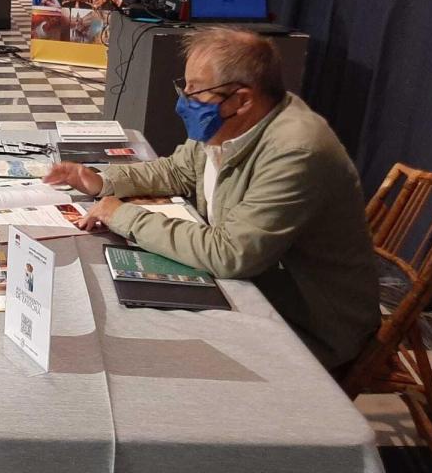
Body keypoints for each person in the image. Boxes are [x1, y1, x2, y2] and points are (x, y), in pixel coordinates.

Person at [44, 27, 380, 371]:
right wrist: (103, 182)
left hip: (310, 321)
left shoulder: (295, 151)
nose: (182, 101)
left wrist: (123, 216)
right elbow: (177, 171)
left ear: (243, 100)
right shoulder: (231, 125)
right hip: (254, 288)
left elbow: (230, 254)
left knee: (150, 355)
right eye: (184, 85)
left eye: (196, 90)